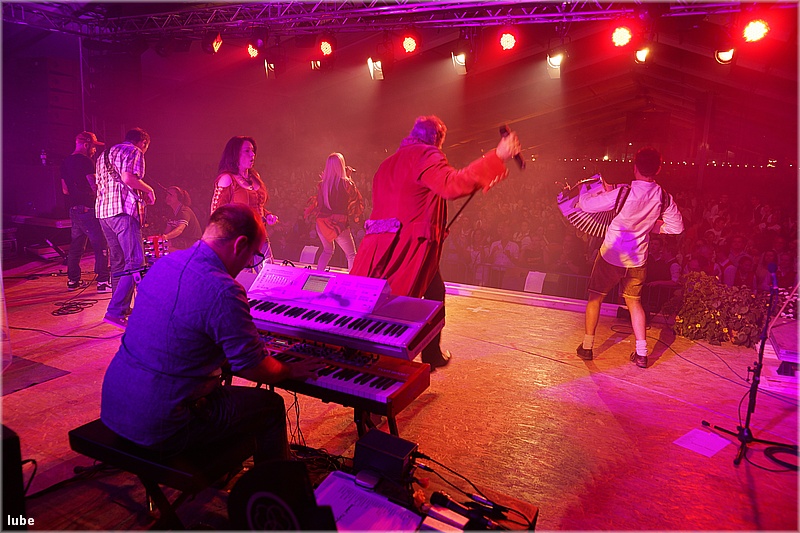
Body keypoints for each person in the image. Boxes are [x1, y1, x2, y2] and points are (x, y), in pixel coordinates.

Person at [100, 204, 324, 462]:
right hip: (163, 425)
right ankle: (274, 483)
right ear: (240, 244)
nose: (248, 264)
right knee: (269, 405)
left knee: (217, 389)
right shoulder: (224, 289)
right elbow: (254, 368)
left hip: (116, 407)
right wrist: (289, 369)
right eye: (252, 255)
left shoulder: (165, 264)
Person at [350, 115, 521, 370]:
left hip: (378, 247)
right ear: (436, 140)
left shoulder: (387, 164)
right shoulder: (426, 155)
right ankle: (382, 365)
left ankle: (430, 353)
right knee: (392, 308)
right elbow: (451, 185)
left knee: (430, 292)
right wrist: (497, 156)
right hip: (408, 247)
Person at [576, 147, 684, 368]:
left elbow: (587, 205)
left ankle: (587, 347)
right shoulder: (663, 197)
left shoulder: (624, 193)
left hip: (611, 254)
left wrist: (583, 192)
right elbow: (676, 227)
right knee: (634, 303)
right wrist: (648, 226)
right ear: (658, 169)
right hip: (637, 259)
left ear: (635, 167)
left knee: (595, 298)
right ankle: (642, 354)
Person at [95, 127, 156, 328]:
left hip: (104, 212)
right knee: (136, 262)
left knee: (119, 262)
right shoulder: (133, 150)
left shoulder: (104, 155)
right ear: (143, 142)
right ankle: (115, 311)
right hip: (122, 212)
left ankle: (120, 306)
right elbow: (128, 178)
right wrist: (149, 190)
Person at [210, 136, 278, 265]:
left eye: (252, 150)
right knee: (242, 275)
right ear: (235, 154)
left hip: (260, 237)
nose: (252, 154)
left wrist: (267, 215)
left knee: (268, 273)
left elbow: (255, 206)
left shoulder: (255, 177)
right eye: (247, 151)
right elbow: (216, 214)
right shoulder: (227, 179)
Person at [61, 131, 110, 292]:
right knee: (100, 244)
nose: (94, 150)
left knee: (76, 246)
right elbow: (94, 185)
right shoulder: (86, 161)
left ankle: (73, 281)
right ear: (86, 144)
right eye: (94, 147)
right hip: (88, 209)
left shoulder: (65, 162)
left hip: (74, 210)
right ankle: (103, 281)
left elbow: (65, 190)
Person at [306, 153, 364, 271]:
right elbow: (354, 197)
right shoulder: (346, 183)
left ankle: (318, 274)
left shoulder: (323, 184)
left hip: (322, 223)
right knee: (351, 255)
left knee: (327, 251)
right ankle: (351, 279)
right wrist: (348, 177)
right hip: (338, 223)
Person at [160, 186, 202, 250]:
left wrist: (166, 237)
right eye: (167, 195)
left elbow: (179, 230)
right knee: (161, 245)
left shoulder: (184, 211)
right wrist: (160, 238)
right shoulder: (172, 213)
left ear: (179, 198)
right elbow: (167, 230)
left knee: (165, 245)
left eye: (170, 195)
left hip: (192, 242)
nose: (167, 197)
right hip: (182, 240)